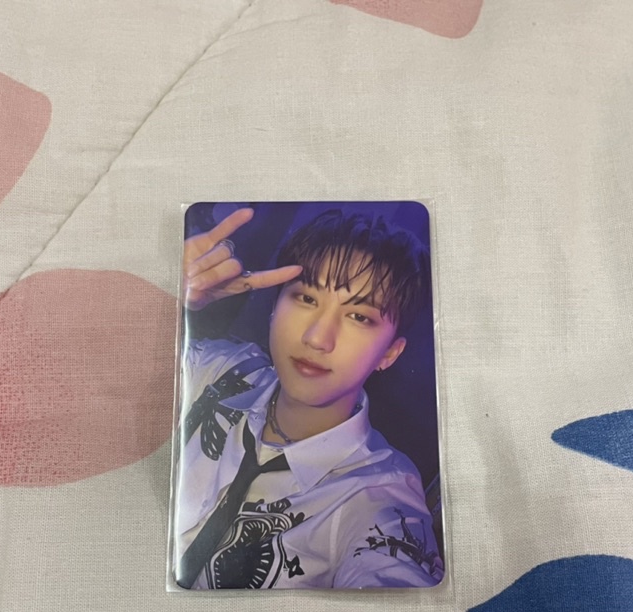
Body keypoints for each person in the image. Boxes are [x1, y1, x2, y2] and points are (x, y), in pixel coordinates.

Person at [172, 205, 443, 590]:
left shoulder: (377, 495)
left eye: (359, 317)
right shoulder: (220, 370)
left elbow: (396, 584)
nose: (317, 337)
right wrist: (162, 294)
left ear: (389, 353)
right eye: (306, 298)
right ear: (274, 308)